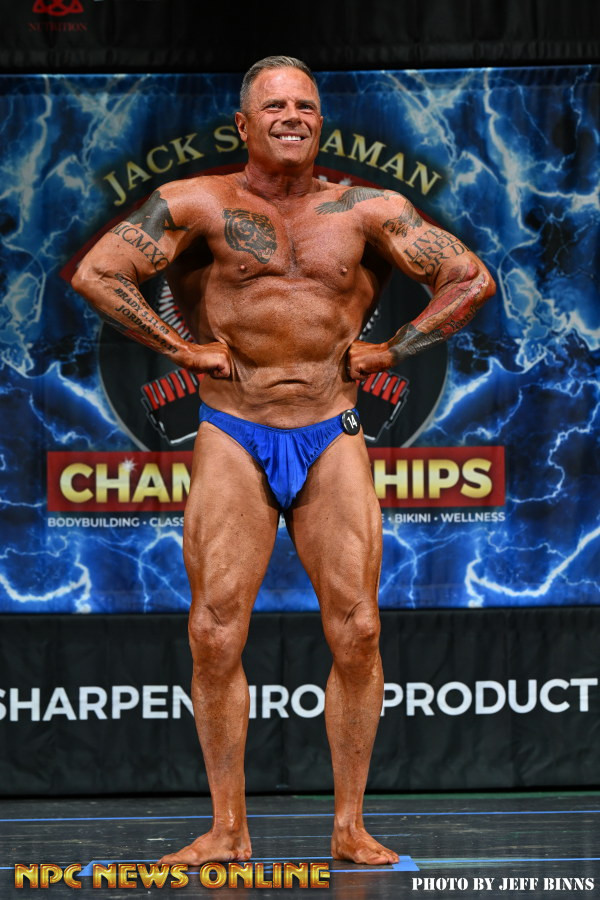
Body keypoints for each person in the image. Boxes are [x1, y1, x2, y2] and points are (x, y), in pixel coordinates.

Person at [72, 55, 496, 866]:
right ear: (244, 124)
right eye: (275, 107)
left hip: (332, 425)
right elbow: (99, 273)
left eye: (305, 105)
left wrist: (398, 347)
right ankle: (227, 830)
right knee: (213, 632)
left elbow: (468, 278)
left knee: (359, 629)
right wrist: (178, 349)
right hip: (235, 428)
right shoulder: (198, 202)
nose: (292, 116)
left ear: (320, 121)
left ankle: (350, 826)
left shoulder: (368, 209)